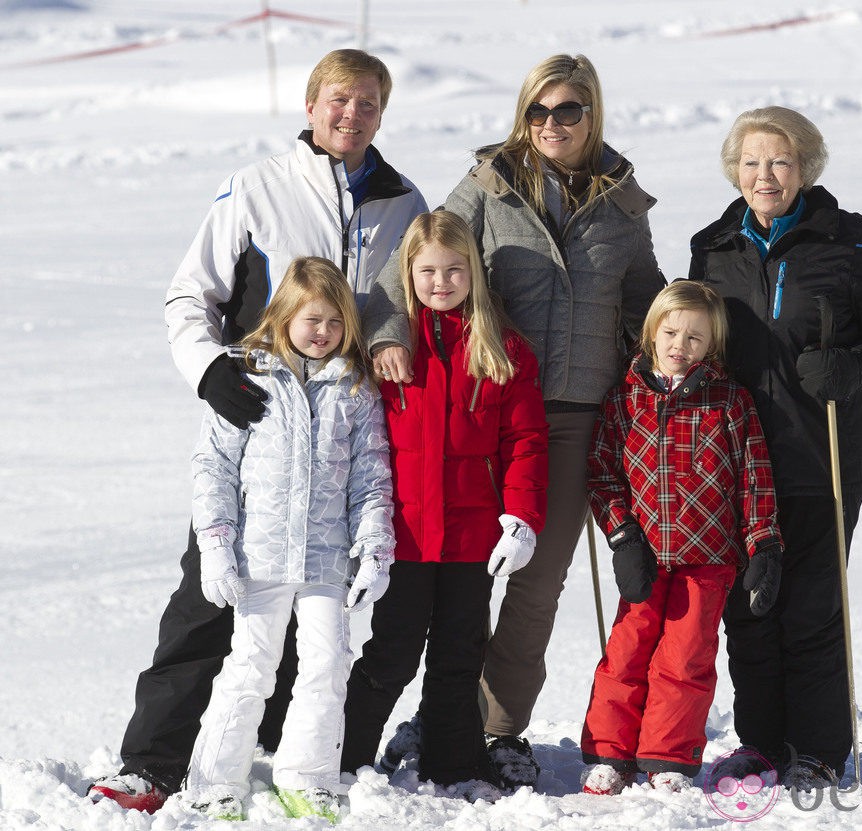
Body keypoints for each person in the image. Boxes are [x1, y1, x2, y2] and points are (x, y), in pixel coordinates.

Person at [88, 49, 426, 813]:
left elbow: (408, 300)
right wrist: (210, 370)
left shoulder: (403, 201)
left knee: (319, 632)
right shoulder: (257, 187)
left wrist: (392, 339)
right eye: (339, 99)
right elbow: (190, 293)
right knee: (210, 600)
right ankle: (153, 758)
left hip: (344, 429)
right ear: (310, 105)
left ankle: (281, 756)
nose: (352, 114)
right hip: (259, 427)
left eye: (369, 103)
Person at [363, 54, 665, 789]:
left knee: (533, 580)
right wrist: (387, 334)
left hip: (566, 418)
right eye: (538, 111)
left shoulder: (623, 205)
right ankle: (434, 718)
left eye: (567, 110)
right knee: (445, 581)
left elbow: (647, 307)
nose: (552, 124)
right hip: (474, 408)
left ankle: (494, 726)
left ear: (592, 113)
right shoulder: (487, 188)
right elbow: (413, 266)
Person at [688, 106, 862, 791]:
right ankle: (762, 744)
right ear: (735, 168)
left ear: (806, 168)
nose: (766, 175)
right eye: (753, 162)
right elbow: (689, 335)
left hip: (826, 455)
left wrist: (853, 367)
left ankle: (818, 748)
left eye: (781, 161)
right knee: (751, 611)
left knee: (812, 607)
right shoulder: (713, 246)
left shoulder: (847, 241)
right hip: (737, 463)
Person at [176, 258, 394, 822]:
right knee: (251, 664)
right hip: (260, 555)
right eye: (312, 320)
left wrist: (374, 549)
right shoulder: (247, 375)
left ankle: (307, 775)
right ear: (283, 316)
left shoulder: (354, 387)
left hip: (326, 559)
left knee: (326, 666)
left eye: (335, 322)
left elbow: (372, 476)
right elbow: (214, 469)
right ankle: (214, 779)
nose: (323, 333)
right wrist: (216, 546)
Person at [341, 211, 549, 800]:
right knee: (392, 653)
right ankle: (345, 753)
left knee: (460, 656)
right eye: (427, 270)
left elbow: (527, 442)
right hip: (402, 537)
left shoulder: (501, 348)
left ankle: (453, 760)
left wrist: (522, 520)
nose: (440, 281)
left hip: (471, 539)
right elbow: (357, 445)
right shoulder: (387, 350)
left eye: (454, 269)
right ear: (407, 273)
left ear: (474, 273)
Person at [578, 281, 783, 796]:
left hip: (708, 559)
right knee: (626, 652)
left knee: (686, 659)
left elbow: (755, 479)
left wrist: (764, 544)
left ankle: (667, 755)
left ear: (711, 344)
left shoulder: (731, 401)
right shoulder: (625, 398)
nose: (680, 346)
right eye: (671, 332)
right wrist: (622, 536)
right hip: (644, 556)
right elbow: (602, 473)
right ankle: (610, 752)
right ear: (651, 332)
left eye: (695, 338)